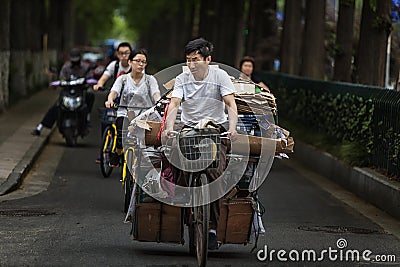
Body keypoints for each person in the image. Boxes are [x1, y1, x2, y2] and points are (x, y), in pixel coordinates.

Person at [163, 38, 238, 250]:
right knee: (176, 161)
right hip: (188, 129)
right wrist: (169, 128)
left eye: (196, 60)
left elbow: (230, 103)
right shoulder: (182, 78)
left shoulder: (220, 76)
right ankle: (185, 200)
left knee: (216, 175)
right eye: (188, 60)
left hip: (215, 129)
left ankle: (212, 228)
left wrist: (232, 129)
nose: (191, 64)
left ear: (208, 59)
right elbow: (174, 103)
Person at [105, 49, 161, 168]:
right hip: (124, 113)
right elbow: (114, 92)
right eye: (138, 61)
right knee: (120, 133)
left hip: (144, 115)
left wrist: (159, 102)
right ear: (130, 62)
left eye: (144, 62)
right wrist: (110, 100)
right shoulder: (123, 79)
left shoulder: (150, 80)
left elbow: (156, 94)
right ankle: (118, 151)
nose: (141, 64)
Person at [31, 48, 94, 136]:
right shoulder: (66, 67)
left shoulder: (86, 67)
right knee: (57, 106)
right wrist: (57, 83)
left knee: (90, 96)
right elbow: (62, 78)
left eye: (77, 61)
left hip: (81, 91)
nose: (75, 63)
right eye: (73, 61)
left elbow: (91, 78)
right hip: (68, 91)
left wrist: (89, 83)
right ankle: (40, 127)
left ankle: (87, 118)